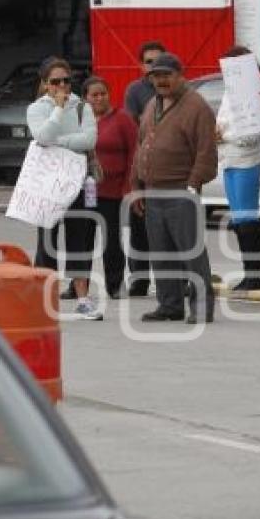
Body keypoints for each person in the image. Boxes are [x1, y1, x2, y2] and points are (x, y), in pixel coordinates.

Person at [132, 53, 217, 323]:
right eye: (156, 76)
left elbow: (206, 152)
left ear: (180, 76)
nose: (162, 80)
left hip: (181, 189)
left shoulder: (197, 107)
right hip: (153, 190)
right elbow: (141, 144)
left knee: (191, 252)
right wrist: (137, 184)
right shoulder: (150, 105)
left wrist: (193, 186)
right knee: (160, 252)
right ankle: (170, 305)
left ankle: (202, 307)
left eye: (167, 75)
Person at [27, 57, 101, 320]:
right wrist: (57, 110)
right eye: (55, 81)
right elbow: (42, 137)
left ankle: (82, 298)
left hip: (78, 181)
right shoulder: (37, 109)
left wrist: (59, 141)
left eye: (66, 80)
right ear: (45, 84)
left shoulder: (82, 107)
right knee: (47, 241)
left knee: (80, 239)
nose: (61, 86)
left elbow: (90, 138)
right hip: (47, 184)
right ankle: (44, 300)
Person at [216, 45, 260, 292]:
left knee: (248, 217)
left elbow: (252, 134)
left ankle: (256, 274)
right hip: (229, 159)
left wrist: (223, 134)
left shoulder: (255, 92)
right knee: (238, 218)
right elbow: (224, 121)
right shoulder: (229, 93)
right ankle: (249, 272)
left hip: (247, 159)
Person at [82, 76, 137, 299]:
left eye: (103, 93)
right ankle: (79, 284)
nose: (99, 98)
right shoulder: (80, 121)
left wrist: (129, 187)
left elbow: (135, 152)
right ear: (86, 98)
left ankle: (114, 285)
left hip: (113, 191)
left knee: (111, 240)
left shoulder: (122, 119)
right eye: (94, 95)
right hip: (87, 190)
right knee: (82, 238)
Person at [123, 40, 166, 297]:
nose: (154, 66)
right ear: (141, 66)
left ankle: (174, 280)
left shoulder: (174, 90)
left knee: (169, 228)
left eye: (159, 60)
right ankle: (139, 279)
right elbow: (133, 127)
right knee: (139, 226)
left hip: (169, 167)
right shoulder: (135, 91)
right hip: (142, 164)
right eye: (149, 61)